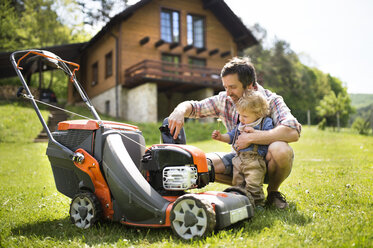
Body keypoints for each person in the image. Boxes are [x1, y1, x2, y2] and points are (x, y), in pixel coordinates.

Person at [168, 57, 301, 209]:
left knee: (281, 149)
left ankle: (273, 193)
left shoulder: (271, 100)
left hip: (265, 161)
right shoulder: (225, 99)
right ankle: (241, 192)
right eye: (225, 87)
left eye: (232, 87)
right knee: (201, 164)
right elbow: (196, 107)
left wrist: (252, 138)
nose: (228, 93)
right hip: (239, 161)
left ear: (250, 85)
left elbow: (293, 131)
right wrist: (179, 110)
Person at [212, 90, 273, 207]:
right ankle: (240, 203)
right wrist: (221, 137)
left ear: (258, 114)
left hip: (254, 160)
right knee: (238, 183)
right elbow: (231, 136)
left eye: (245, 116)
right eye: (240, 115)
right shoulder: (241, 125)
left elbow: (269, 137)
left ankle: (258, 205)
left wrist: (255, 133)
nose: (241, 119)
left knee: (253, 184)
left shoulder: (265, 123)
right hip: (238, 160)